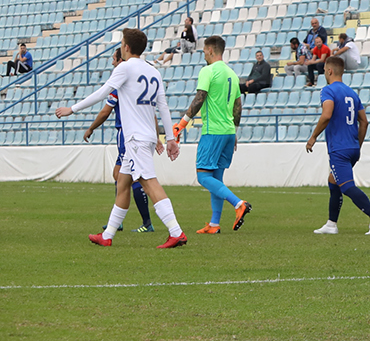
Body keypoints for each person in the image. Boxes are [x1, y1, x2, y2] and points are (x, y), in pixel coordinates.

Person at [58, 28, 187, 248]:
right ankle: (107, 236)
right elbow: (163, 107)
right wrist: (171, 138)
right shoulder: (153, 71)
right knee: (123, 183)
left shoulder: (125, 68)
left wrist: (73, 108)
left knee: (148, 182)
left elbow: (102, 92)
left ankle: (176, 232)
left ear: (126, 47)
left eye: (121, 44)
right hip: (144, 136)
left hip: (136, 138)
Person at [174, 35, 248, 235]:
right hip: (228, 132)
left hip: (213, 131)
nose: (203, 54)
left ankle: (238, 203)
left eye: (204, 50)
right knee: (217, 178)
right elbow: (237, 106)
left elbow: (200, 97)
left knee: (203, 176)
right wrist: (234, 132)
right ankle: (214, 224)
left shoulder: (208, 71)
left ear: (210, 50)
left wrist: (182, 123)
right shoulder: (232, 74)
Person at [305, 55, 370, 235]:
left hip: (339, 148)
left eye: (325, 70)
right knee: (333, 181)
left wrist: (313, 137)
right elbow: (364, 121)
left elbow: (326, 115)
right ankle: (331, 224)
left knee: (346, 186)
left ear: (330, 71)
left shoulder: (328, 90)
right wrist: (358, 144)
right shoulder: (352, 93)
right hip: (352, 147)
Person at [79, 46, 154, 233]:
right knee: (119, 175)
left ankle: (146, 223)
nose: (112, 63)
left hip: (127, 134)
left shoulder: (121, 83)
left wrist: (90, 128)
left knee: (134, 177)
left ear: (121, 60)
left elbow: (105, 111)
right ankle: (118, 221)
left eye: (114, 59)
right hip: (140, 133)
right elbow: (151, 109)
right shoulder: (136, 79)